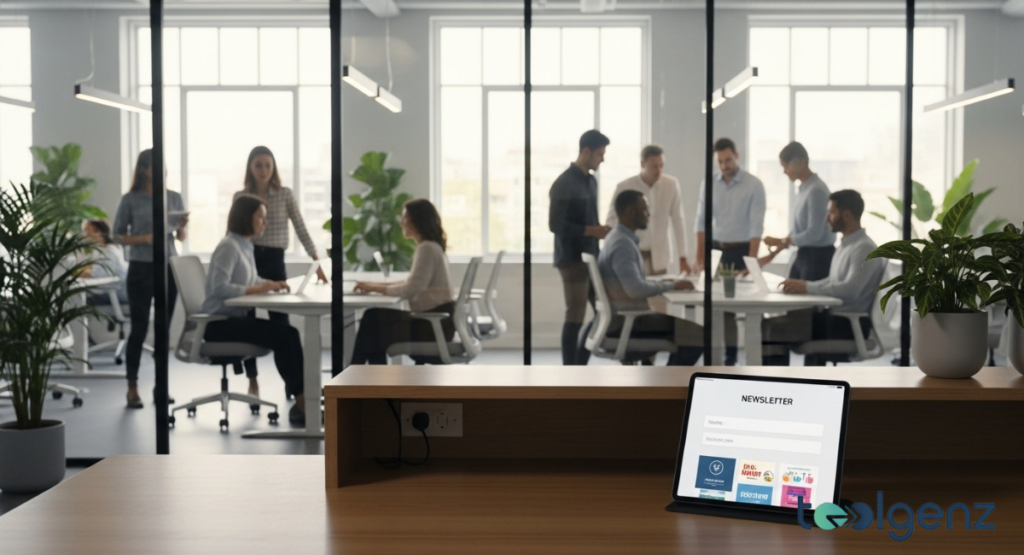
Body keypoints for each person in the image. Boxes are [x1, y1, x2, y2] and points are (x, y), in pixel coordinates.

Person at [201, 195, 307, 425]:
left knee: (290, 333)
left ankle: (303, 397)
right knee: (282, 335)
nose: (265, 223)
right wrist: (259, 287)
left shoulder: (244, 245)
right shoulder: (229, 247)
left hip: (232, 321)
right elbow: (220, 288)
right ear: (246, 217)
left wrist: (270, 284)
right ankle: (302, 402)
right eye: (261, 217)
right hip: (218, 324)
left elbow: (249, 278)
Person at [762, 190, 885, 366]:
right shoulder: (846, 245)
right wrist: (803, 285)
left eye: (831, 212)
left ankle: (775, 386)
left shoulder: (864, 249)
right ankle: (779, 383)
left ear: (847, 215)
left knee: (771, 328)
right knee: (771, 325)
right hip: (835, 318)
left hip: (847, 325)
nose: (827, 218)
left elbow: (850, 290)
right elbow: (832, 282)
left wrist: (806, 287)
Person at [113, 149, 188, 409]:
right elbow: (117, 235)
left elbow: (181, 238)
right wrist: (145, 238)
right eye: (156, 166)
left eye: (164, 165)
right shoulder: (130, 199)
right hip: (141, 268)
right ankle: (132, 387)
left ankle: (161, 388)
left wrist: (181, 226)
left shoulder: (174, 197)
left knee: (163, 332)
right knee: (140, 329)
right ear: (144, 169)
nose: (162, 170)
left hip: (168, 267)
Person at [599, 190, 703, 365]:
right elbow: (635, 290)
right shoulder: (622, 245)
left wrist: (664, 282)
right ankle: (667, 388)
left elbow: (633, 283)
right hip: (630, 323)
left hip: (625, 320)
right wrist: (671, 286)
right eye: (645, 209)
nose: (648, 214)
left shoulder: (618, 238)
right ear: (631, 212)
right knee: (699, 335)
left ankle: (663, 384)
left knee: (689, 332)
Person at [348, 199, 456, 368]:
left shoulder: (426, 248)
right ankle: (370, 385)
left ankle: (355, 381)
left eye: (405, 217)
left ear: (416, 221)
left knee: (372, 319)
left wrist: (375, 288)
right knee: (373, 324)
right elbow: (413, 282)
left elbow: (412, 289)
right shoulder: (433, 247)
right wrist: (373, 285)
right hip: (438, 324)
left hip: (431, 328)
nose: (401, 222)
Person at [692, 138, 766, 365]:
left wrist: (751, 263)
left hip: (742, 250)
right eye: (720, 161)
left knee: (742, 304)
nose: (724, 165)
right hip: (716, 249)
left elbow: (756, 226)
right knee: (718, 307)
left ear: (737, 156)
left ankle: (736, 358)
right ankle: (721, 358)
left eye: (728, 160)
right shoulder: (709, 183)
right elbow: (701, 221)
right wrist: (700, 256)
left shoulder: (754, 185)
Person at [235, 145, 328, 324]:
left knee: (279, 314)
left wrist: (316, 262)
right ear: (250, 168)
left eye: (268, 165)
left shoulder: (285, 194)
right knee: (246, 312)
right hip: (247, 256)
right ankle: (249, 352)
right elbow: (234, 231)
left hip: (274, 258)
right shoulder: (242, 196)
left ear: (274, 168)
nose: (263, 170)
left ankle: (283, 349)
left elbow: (300, 228)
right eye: (258, 165)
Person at [549, 130, 612, 366]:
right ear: (586, 152)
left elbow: (591, 219)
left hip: (591, 258)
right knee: (575, 316)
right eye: (600, 154)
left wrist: (599, 232)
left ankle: (579, 365)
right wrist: (591, 231)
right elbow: (555, 224)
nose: (602, 159)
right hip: (571, 259)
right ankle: (570, 372)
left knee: (603, 313)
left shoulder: (591, 181)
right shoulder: (564, 183)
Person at [605, 145, 690, 277]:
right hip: (633, 255)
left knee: (661, 295)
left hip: (661, 258)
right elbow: (611, 221)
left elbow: (678, 220)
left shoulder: (671, 185)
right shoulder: (625, 187)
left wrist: (683, 256)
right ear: (642, 164)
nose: (659, 170)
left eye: (662, 165)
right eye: (654, 166)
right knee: (637, 292)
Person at [762, 142, 836, 281]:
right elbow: (797, 231)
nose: (784, 172)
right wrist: (776, 250)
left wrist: (782, 240)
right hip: (805, 255)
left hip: (818, 258)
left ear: (800, 163)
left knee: (807, 302)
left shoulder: (816, 191)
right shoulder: (804, 189)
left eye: (786, 167)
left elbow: (814, 234)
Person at [80, 219, 129, 305]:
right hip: (112, 292)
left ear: (99, 231)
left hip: (116, 295)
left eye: (87, 230)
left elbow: (94, 273)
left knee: (77, 299)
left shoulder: (109, 251)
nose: (85, 234)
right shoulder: (102, 249)